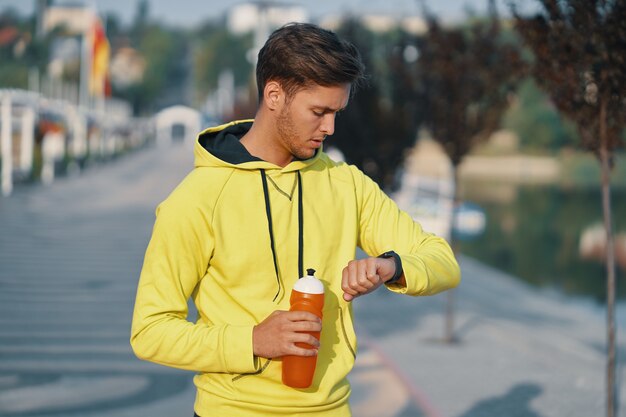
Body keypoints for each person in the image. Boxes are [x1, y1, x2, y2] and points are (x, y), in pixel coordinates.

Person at [130, 22, 460, 417]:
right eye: (319, 112)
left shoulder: (346, 184)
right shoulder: (196, 199)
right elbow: (150, 331)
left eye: (336, 112)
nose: (330, 128)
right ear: (274, 95)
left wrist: (391, 267)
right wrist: (251, 340)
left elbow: (442, 261)